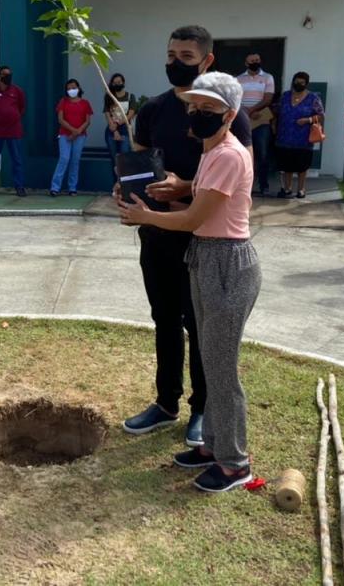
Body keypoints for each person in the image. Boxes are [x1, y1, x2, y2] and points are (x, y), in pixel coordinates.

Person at [119, 73, 260, 493]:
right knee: (211, 358)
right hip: (206, 256)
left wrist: (145, 217)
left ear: (230, 115)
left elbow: (193, 219)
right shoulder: (211, 155)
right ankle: (213, 446)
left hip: (226, 264)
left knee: (221, 369)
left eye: (210, 109)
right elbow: (194, 208)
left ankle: (235, 464)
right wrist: (146, 198)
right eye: (194, 107)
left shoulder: (229, 155)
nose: (198, 114)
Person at [273, 71, 324, 199]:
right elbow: (276, 111)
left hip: (303, 138)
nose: (298, 84)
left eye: (302, 82)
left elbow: (320, 115)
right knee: (286, 165)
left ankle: (301, 189)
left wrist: (308, 120)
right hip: (284, 136)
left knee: (302, 165)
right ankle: (287, 188)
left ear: (306, 84)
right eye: (296, 81)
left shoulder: (313, 98)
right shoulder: (285, 96)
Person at [0, 64, 26, 197]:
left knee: (16, 159)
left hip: (14, 130)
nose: (8, 77)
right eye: (5, 74)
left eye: (9, 74)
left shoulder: (17, 91)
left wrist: (13, 118)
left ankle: (19, 187)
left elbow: (22, 108)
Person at [237, 53, 275, 196]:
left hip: (261, 120)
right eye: (252, 61)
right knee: (243, 155)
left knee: (263, 154)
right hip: (242, 121)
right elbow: (235, 98)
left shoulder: (268, 77)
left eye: (257, 60)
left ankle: (264, 186)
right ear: (246, 63)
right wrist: (245, 112)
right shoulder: (238, 79)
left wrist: (251, 110)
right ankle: (245, 187)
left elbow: (268, 98)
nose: (255, 62)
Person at [50, 78, 93, 196]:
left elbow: (87, 121)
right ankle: (55, 187)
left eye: (73, 87)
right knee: (64, 158)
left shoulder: (85, 103)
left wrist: (77, 132)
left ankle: (72, 187)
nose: (71, 90)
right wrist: (73, 131)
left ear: (78, 88)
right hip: (65, 135)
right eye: (68, 88)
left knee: (75, 161)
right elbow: (60, 119)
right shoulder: (63, 101)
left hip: (80, 136)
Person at [103, 72, 136, 179]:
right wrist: (114, 129)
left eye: (119, 82)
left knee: (125, 159)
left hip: (125, 130)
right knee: (115, 160)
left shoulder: (130, 96)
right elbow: (107, 114)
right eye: (115, 82)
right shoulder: (109, 96)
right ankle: (116, 186)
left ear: (123, 82)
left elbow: (130, 114)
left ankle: (125, 187)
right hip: (111, 130)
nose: (117, 84)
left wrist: (118, 124)